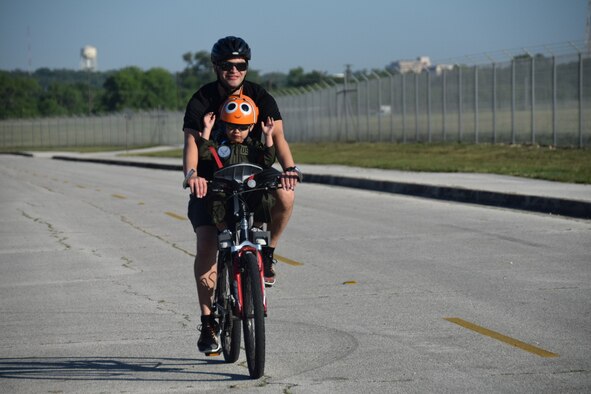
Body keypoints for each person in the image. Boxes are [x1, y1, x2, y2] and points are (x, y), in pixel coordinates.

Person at [182, 36, 302, 355]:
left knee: (286, 197)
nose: (233, 70)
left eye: (240, 65)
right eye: (226, 65)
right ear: (216, 67)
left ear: (247, 66)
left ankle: (267, 254)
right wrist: (192, 176)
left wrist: (290, 168)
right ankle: (208, 322)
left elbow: (278, 137)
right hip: (212, 182)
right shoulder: (202, 99)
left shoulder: (261, 96)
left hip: (251, 178)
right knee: (207, 245)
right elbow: (193, 144)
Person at [199, 94, 278, 231]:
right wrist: (207, 129)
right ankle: (223, 230)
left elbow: (268, 161)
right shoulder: (219, 146)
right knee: (215, 201)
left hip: (248, 188)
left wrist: (268, 135)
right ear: (224, 125)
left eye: (242, 128)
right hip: (225, 189)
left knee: (266, 197)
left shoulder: (254, 146)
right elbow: (205, 154)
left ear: (251, 128)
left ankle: (257, 227)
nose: (237, 131)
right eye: (232, 127)